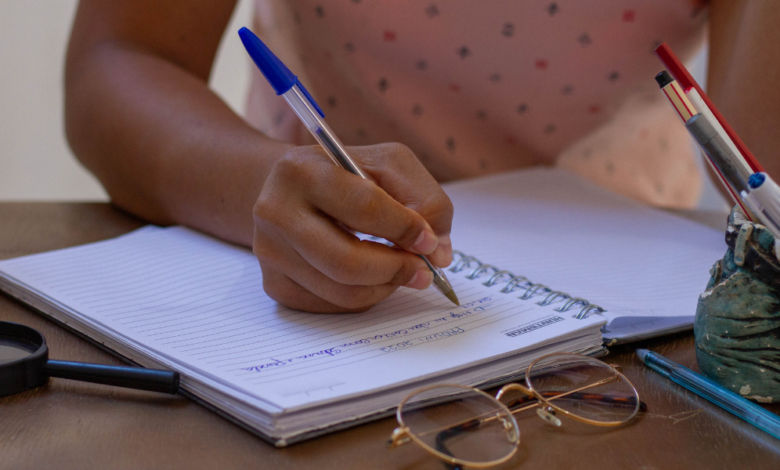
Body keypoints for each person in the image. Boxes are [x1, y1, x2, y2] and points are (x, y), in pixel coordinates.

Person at [64, 0, 780, 313]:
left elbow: (764, 167)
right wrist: (270, 186)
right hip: (289, 241)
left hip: (630, 298)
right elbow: (118, 59)